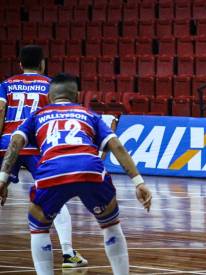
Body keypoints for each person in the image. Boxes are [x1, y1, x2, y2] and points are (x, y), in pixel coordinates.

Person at [0, 73, 152, 275]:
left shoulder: (37, 115)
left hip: (51, 172)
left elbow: (15, 142)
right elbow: (116, 145)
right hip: (89, 168)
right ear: (78, 95)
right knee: (111, 226)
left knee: (39, 227)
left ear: (48, 96)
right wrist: (138, 182)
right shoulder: (88, 114)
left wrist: (2, 179)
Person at [0, 45, 87, 267]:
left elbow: (0, 111)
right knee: (56, 196)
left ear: (19, 64)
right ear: (42, 63)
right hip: (38, 146)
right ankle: (68, 254)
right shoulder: (50, 85)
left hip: (7, 143)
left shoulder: (6, 85)